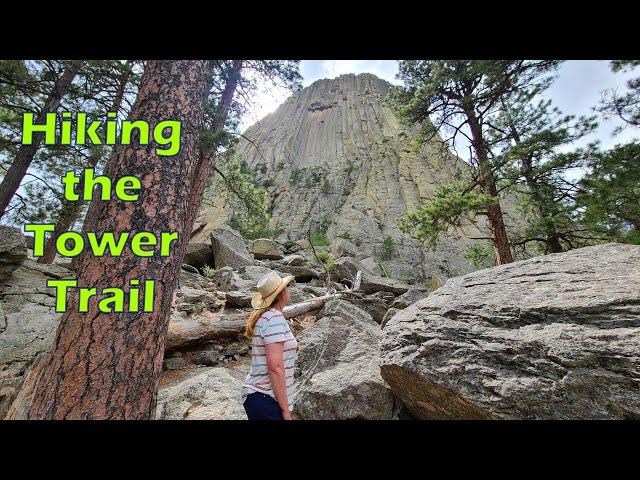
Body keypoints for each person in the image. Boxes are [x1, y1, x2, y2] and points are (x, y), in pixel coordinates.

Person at [241, 271, 297, 420]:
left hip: (260, 398)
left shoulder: (267, 317)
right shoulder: (274, 318)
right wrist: (285, 410)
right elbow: (275, 366)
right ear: (283, 293)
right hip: (266, 397)